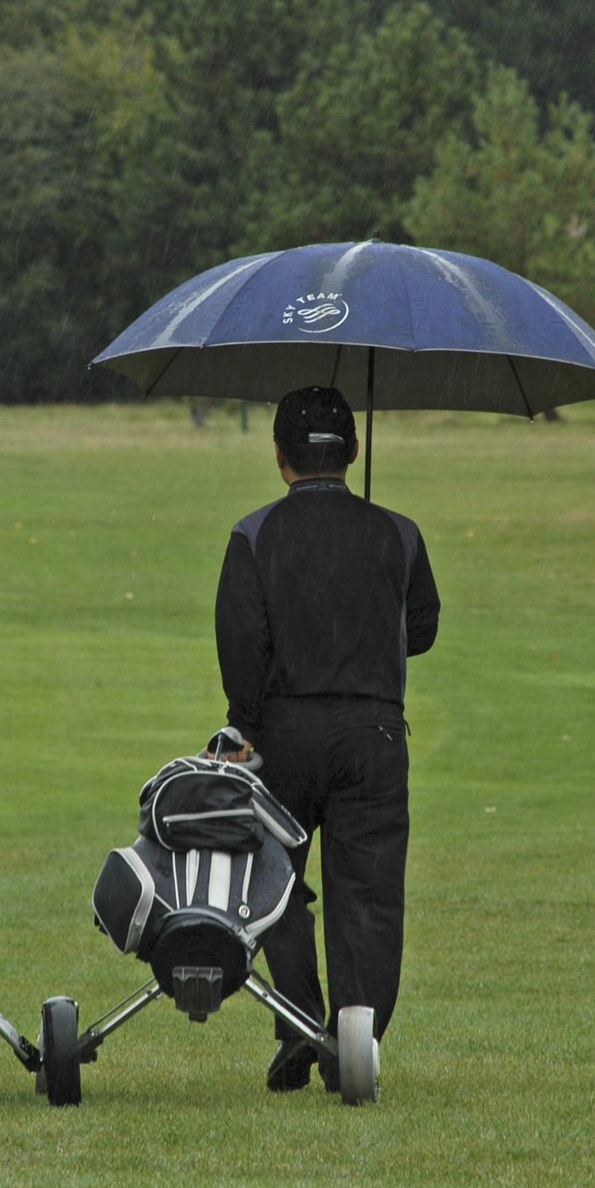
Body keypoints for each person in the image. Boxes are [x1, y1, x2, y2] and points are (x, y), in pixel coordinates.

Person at [212, 385, 441, 1092]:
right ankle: (355, 1041)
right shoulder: (400, 533)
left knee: (274, 882)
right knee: (367, 893)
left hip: (281, 734)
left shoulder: (253, 534)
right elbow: (422, 629)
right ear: (355, 451)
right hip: (374, 734)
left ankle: (299, 1020)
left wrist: (248, 725)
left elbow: (241, 646)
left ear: (279, 456)